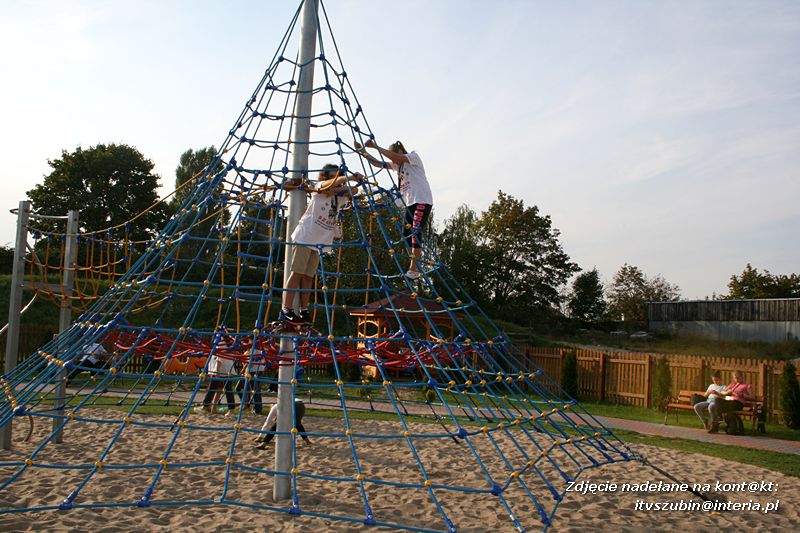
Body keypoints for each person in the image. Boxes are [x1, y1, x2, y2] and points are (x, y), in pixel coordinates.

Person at [279, 164, 360, 323]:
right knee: (297, 272)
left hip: (318, 242)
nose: (336, 180)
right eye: (332, 177)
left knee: (308, 276)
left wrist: (337, 189)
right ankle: (286, 308)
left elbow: (354, 191)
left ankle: (304, 309)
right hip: (305, 236)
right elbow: (324, 186)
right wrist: (348, 179)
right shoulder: (318, 190)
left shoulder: (338, 197)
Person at [355, 139, 433, 280]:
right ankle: (416, 262)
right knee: (407, 235)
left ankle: (414, 269)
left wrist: (375, 146)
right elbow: (378, 164)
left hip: (421, 199)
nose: (392, 159)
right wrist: (362, 151)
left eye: (392, 154)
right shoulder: (396, 165)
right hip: (410, 203)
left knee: (415, 232)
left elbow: (394, 157)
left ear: (399, 151)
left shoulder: (412, 157)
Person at [195, 334, 237, 415]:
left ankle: (205, 406)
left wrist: (217, 372)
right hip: (226, 371)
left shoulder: (220, 342)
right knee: (227, 390)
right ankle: (231, 409)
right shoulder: (226, 344)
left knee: (213, 389)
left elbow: (219, 358)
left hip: (220, 371)